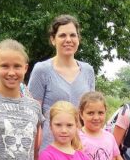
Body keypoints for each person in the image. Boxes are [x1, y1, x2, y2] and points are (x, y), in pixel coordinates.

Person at [28, 14, 96, 150]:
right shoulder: (42, 70)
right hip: (49, 149)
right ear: (53, 40)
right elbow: (32, 115)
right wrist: (34, 151)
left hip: (79, 149)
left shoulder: (88, 71)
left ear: (78, 39)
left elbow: (91, 111)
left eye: (73, 35)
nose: (68, 40)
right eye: (62, 35)